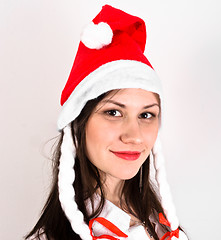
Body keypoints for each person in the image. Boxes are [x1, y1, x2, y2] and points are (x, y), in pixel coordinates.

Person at [26, 4, 188, 240]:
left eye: (146, 115)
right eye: (114, 112)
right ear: (78, 122)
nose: (134, 135)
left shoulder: (163, 226)